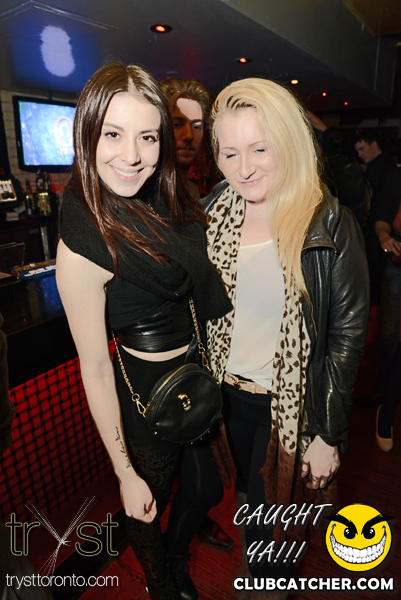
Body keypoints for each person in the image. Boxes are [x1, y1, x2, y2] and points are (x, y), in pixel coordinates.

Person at [56, 62, 232, 600]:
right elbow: (95, 368)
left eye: (148, 137)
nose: (132, 156)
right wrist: (122, 472)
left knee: (207, 487)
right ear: (88, 134)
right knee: (145, 502)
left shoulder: (167, 199)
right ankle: (161, 584)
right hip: (144, 399)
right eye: (113, 134)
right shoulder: (81, 243)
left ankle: (176, 556)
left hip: (192, 377)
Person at [201, 78, 369, 599]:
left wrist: (328, 434)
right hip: (226, 399)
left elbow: (346, 336)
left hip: (290, 406)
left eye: (259, 148)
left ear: (289, 142)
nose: (243, 168)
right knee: (248, 507)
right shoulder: (210, 215)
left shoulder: (328, 222)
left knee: (270, 537)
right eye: (229, 152)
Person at [161, 75, 233, 552]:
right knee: (174, 480)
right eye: (177, 123)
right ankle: (167, 560)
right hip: (158, 366)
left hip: (196, 359)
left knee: (201, 479)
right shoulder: (141, 192)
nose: (189, 135)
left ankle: (186, 528)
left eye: (199, 125)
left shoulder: (190, 191)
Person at [373, 167, 401, 451]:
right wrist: (384, 237)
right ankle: (386, 404)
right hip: (398, 264)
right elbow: (383, 219)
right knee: (391, 337)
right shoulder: (396, 176)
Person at [355, 130, 396, 305]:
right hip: (379, 229)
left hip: (383, 231)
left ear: (374, 145)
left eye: (362, 149)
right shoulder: (379, 166)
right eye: (357, 151)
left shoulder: (385, 168)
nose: (360, 154)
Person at [160, 77, 211, 202]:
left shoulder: (193, 192)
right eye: (177, 124)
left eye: (196, 126)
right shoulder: (143, 196)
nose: (189, 135)